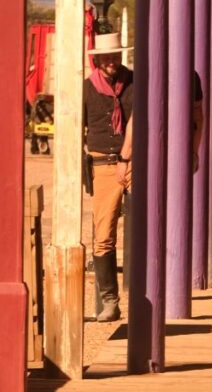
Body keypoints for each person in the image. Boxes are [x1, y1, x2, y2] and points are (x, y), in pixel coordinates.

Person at [83, 32, 134, 322]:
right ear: (98, 59)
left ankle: (146, 292)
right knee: (103, 235)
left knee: (147, 227)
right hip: (102, 164)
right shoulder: (87, 88)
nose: (112, 61)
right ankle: (110, 301)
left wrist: (127, 159)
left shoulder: (134, 81)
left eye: (115, 56)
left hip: (134, 161)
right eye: (107, 57)